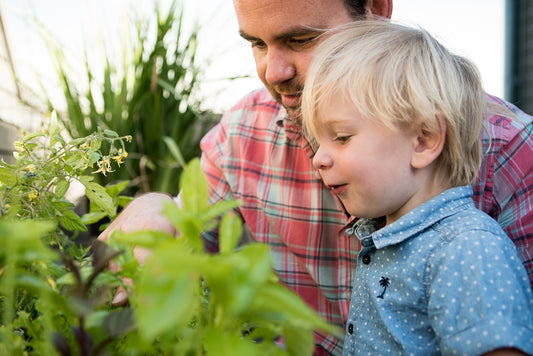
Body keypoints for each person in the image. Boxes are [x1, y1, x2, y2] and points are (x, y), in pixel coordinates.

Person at [99, 0, 533, 354]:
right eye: (257, 44)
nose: (274, 71)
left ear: (376, 10)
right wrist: (152, 210)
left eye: (300, 39)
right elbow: (185, 223)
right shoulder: (244, 133)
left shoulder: (512, 155)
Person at [300, 19, 533, 355]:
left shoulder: (465, 248)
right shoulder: (392, 231)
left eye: (342, 137)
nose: (319, 158)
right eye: (319, 141)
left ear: (424, 141)